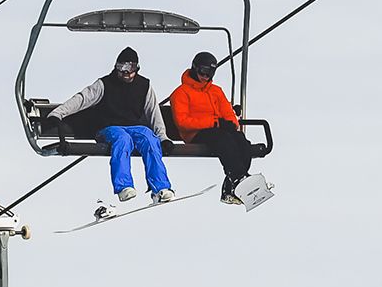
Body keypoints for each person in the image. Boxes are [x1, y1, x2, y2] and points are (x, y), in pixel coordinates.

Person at [51, 46, 175, 204]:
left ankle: (160, 188)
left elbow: (153, 113)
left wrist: (162, 137)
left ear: (136, 68)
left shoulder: (144, 86)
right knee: (123, 139)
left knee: (149, 137)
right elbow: (82, 99)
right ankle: (124, 186)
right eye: (121, 68)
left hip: (134, 128)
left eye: (129, 68)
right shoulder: (105, 84)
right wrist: (58, 113)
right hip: (108, 128)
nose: (125, 73)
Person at [168, 51, 254, 205]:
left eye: (210, 73)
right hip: (195, 134)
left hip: (218, 130)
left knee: (242, 141)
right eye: (202, 72)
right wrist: (214, 122)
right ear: (195, 68)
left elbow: (228, 113)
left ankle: (234, 183)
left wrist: (230, 124)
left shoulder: (216, 91)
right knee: (223, 139)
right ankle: (238, 178)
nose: (205, 76)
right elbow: (182, 122)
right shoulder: (181, 93)